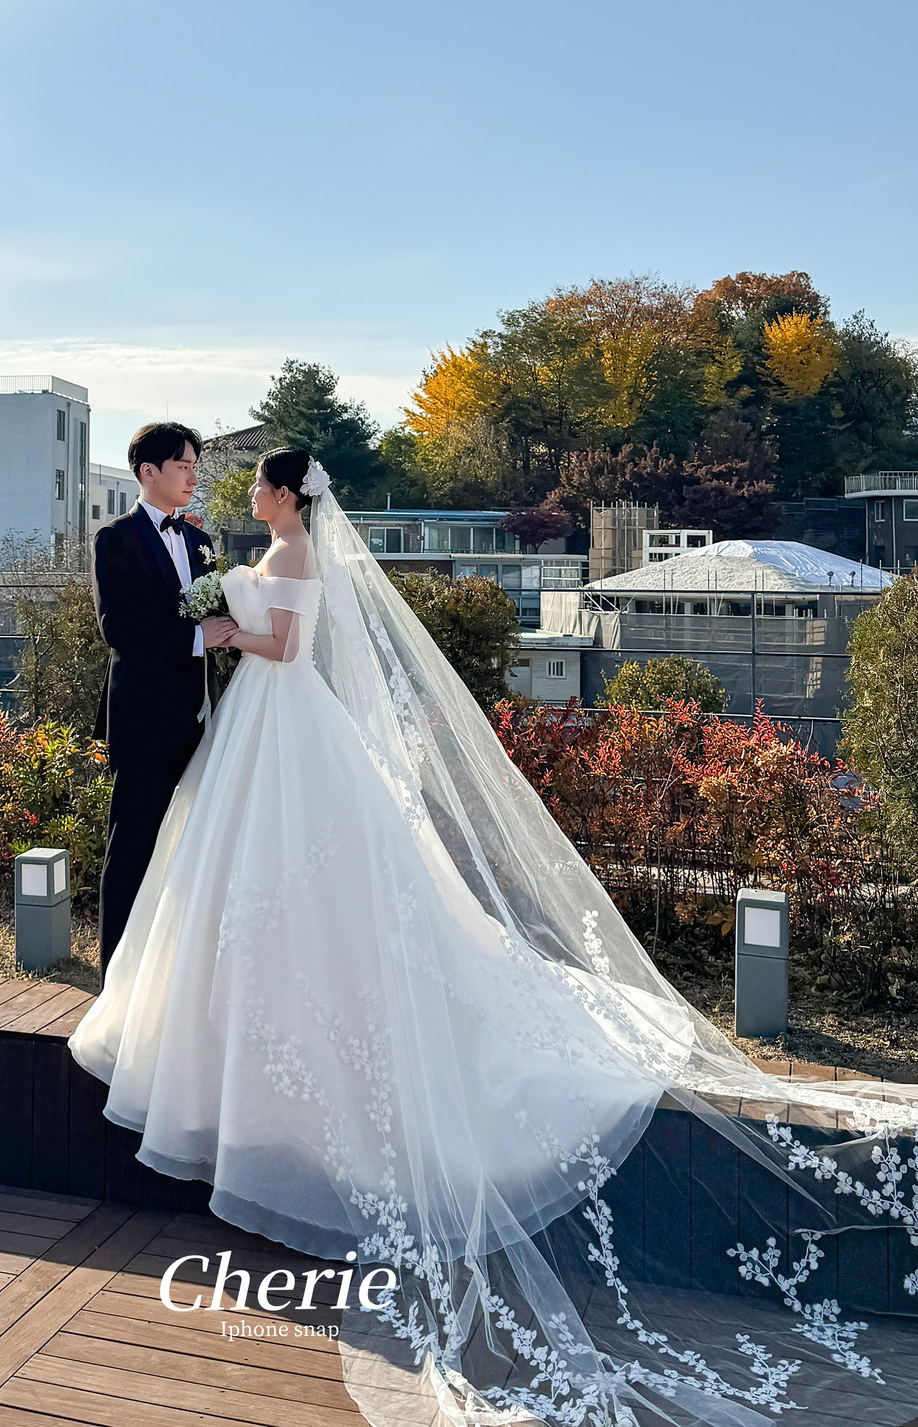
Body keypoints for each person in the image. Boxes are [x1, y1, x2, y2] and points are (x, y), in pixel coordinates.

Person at [74, 446, 918, 1427]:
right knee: (241, 885)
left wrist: (226, 630)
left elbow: (288, 649)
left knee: (303, 890)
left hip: (285, 721)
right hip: (255, 733)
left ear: (288, 494)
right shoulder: (268, 548)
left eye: (262, 483)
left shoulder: (295, 553)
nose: (250, 493)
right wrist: (223, 622)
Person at [91, 422, 236, 975]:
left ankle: (174, 977)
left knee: (195, 850)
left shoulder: (200, 541)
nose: (192, 477)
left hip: (200, 720)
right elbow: (118, 629)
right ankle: (116, 979)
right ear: (147, 472)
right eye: (183, 466)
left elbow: (217, 615)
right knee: (132, 847)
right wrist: (198, 637)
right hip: (144, 723)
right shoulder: (115, 539)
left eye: (195, 466)